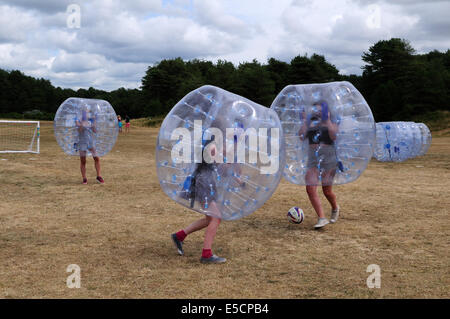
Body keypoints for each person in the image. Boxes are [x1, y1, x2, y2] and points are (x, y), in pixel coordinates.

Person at [171, 130, 242, 264]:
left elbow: (219, 167)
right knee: (216, 218)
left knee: (209, 219)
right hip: (204, 184)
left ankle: (179, 236)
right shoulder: (212, 147)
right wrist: (235, 146)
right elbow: (222, 162)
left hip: (206, 182)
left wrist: (237, 179)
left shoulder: (210, 146)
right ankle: (206, 254)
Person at [298, 100, 340, 229]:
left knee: (327, 191)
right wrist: (305, 121)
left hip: (329, 158)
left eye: (320, 109)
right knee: (310, 188)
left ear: (326, 110)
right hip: (313, 158)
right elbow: (301, 136)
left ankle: (335, 207)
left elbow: (334, 136)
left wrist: (326, 121)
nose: (318, 111)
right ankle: (321, 218)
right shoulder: (310, 123)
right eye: (315, 109)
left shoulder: (332, 121)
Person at [75, 109, 105, 185]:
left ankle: (98, 176)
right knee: (83, 161)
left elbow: (95, 131)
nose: (86, 113)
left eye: (87, 112)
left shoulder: (90, 121)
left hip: (91, 142)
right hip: (82, 142)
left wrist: (94, 121)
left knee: (96, 158)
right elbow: (79, 130)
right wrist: (82, 122)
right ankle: (84, 178)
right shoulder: (77, 120)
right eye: (85, 112)